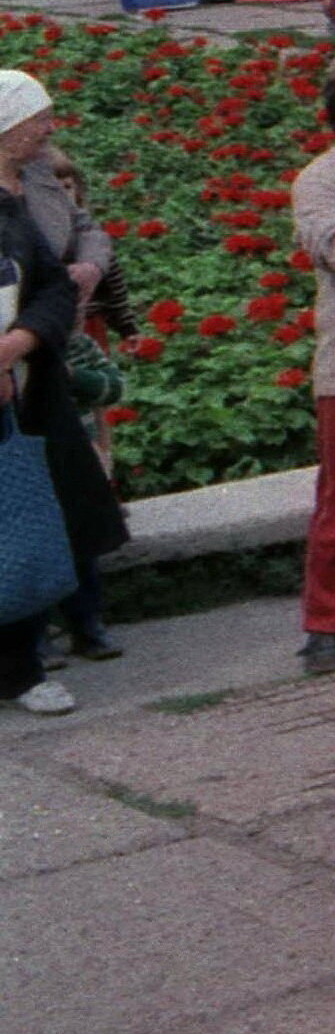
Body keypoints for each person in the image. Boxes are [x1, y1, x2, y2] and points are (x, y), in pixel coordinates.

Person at [0, 76, 127, 710]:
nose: (50, 128)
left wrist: (18, 343)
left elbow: (52, 283)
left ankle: (31, 659)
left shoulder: (29, 189)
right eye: (39, 118)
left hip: (33, 377)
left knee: (39, 506)